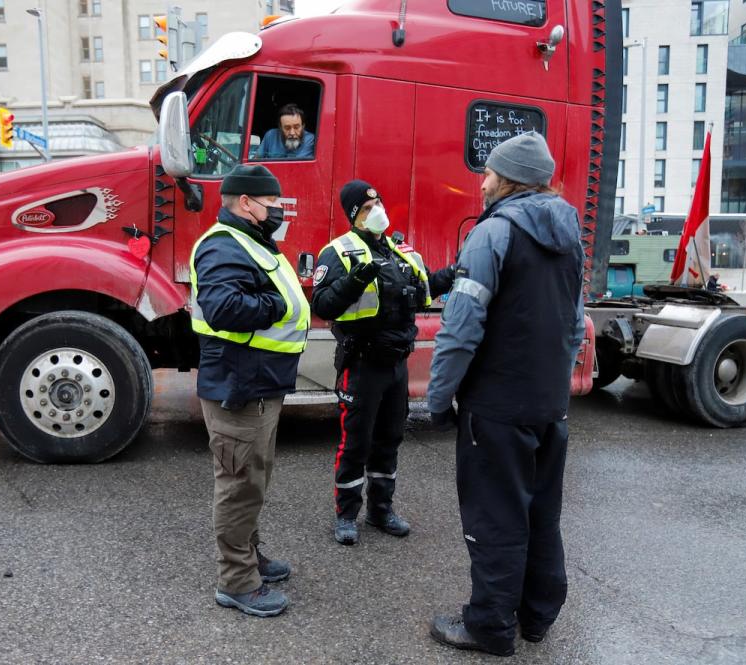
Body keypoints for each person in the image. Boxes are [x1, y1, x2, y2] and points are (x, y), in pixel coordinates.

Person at [426, 132, 585, 657]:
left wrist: (437, 397)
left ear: (510, 178)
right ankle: (537, 617)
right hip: (546, 406)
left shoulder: (492, 234)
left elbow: (460, 326)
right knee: (542, 514)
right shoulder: (570, 234)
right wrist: (554, 388)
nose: (483, 179)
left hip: (495, 407)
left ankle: (490, 626)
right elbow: (574, 323)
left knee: (495, 517)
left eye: (490, 172)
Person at [189, 164, 311, 618]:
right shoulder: (224, 244)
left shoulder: (251, 241)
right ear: (246, 202)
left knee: (253, 481)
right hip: (238, 388)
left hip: (256, 383)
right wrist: (278, 303)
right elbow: (222, 307)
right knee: (239, 484)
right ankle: (237, 581)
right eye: (273, 202)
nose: (279, 210)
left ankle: (250, 558)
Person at [312, 180, 455, 546]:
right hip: (362, 363)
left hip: (396, 364)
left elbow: (421, 295)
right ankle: (346, 514)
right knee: (355, 442)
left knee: (389, 439)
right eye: (365, 207)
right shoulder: (339, 252)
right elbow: (323, 306)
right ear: (352, 215)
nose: (375, 210)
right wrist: (356, 281)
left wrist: (450, 276)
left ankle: (380, 510)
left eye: (377, 202)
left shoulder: (400, 251)